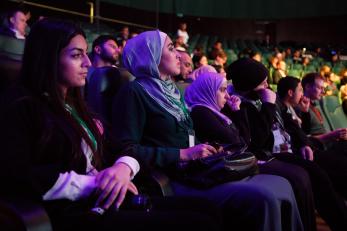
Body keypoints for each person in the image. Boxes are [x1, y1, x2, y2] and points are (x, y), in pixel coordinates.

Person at [0, 18, 224, 231]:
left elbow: (122, 148)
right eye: (77, 55)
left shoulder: (78, 106)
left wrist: (123, 167)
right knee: (200, 224)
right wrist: (96, 183)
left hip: (105, 200)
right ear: (48, 58)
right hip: (70, 212)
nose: (88, 62)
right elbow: (17, 174)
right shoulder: (20, 105)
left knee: (211, 210)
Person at [112, 30, 304, 231]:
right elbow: (126, 149)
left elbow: (188, 135)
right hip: (175, 179)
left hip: (197, 168)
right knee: (265, 197)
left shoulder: (170, 90)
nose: (178, 54)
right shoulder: (134, 92)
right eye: (170, 48)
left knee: (283, 186)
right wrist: (184, 154)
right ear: (150, 55)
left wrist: (209, 147)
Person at [185, 71, 315, 231]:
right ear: (209, 90)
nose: (226, 96)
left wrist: (237, 111)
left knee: (295, 179)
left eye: (226, 90)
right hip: (228, 168)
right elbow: (242, 142)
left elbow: (243, 140)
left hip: (242, 161)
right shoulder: (202, 112)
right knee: (292, 180)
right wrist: (244, 112)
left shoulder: (216, 111)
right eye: (222, 90)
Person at [227, 58, 347, 231]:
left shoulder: (265, 96)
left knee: (336, 170)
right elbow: (258, 141)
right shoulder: (240, 105)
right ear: (250, 84)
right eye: (263, 82)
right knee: (318, 176)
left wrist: (304, 143)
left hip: (293, 147)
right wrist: (268, 104)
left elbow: (289, 123)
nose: (268, 84)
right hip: (272, 154)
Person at [278, 76, 347, 198]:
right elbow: (303, 136)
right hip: (315, 148)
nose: (323, 91)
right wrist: (332, 135)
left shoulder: (305, 106)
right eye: (320, 87)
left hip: (316, 146)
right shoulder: (291, 108)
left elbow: (303, 134)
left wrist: (305, 113)